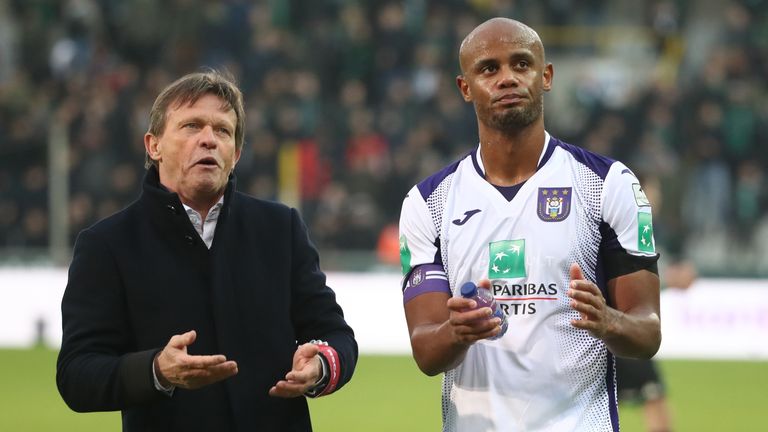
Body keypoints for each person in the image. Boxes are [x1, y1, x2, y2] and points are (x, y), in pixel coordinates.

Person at [56, 70, 358, 431]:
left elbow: (337, 335)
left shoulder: (280, 228)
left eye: (222, 131)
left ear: (237, 154)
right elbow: (76, 374)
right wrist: (157, 370)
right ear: (153, 146)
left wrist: (321, 365)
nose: (209, 140)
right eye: (191, 126)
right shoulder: (107, 244)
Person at [398, 18, 661, 431]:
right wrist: (458, 331)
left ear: (546, 76)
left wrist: (609, 321)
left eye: (521, 64)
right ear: (465, 88)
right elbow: (426, 353)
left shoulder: (607, 185)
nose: (507, 78)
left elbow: (648, 333)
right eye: (489, 69)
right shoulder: (427, 203)